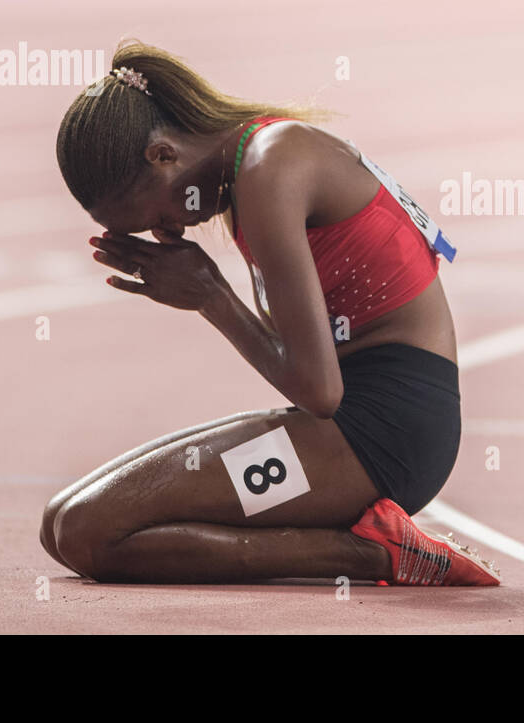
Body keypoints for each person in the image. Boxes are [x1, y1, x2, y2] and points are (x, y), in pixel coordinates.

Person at [39, 39, 499, 586]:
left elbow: (319, 389)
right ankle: (370, 544)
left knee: (88, 533)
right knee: (60, 523)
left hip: (386, 437)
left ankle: (374, 555)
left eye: (158, 212)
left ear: (164, 154)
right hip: (356, 424)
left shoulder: (270, 167)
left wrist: (210, 296)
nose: (173, 230)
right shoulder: (250, 165)